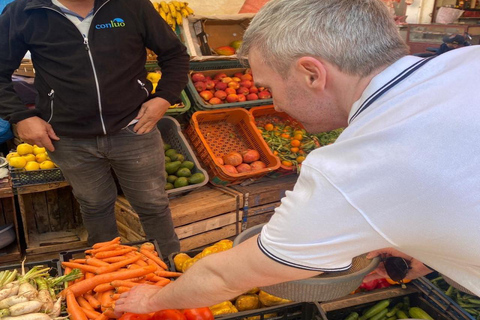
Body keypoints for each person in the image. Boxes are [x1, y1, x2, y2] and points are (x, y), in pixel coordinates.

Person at [115, 0, 480, 313]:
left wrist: (150, 300)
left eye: (270, 87)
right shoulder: (466, 62)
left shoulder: (353, 169)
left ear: (311, 74)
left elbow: (225, 276)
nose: (274, 104)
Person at [0, 0, 189, 257]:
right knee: (95, 205)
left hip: (134, 129)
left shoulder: (130, 5)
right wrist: (20, 117)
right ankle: (109, 270)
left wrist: (165, 97)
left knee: (153, 204)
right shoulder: (24, 12)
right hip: (68, 138)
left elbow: (175, 54)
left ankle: (170, 266)